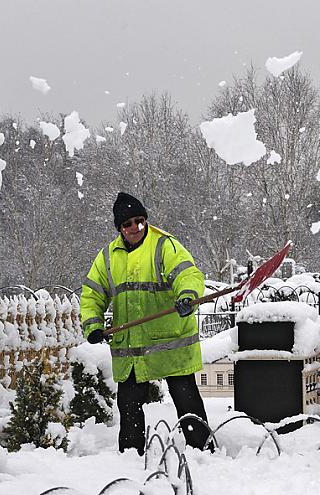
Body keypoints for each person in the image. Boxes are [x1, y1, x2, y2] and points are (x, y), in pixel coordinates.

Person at [80, 192, 210, 453]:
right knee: (128, 405)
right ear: (120, 228)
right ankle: (131, 454)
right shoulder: (107, 257)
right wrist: (92, 325)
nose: (135, 227)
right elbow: (92, 293)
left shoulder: (165, 245)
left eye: (139, 221)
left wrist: (187, 296)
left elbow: (187, 274)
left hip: (170, 344)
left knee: (186, 400)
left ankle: (202, 449)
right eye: (127, 224)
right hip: (131, 350)